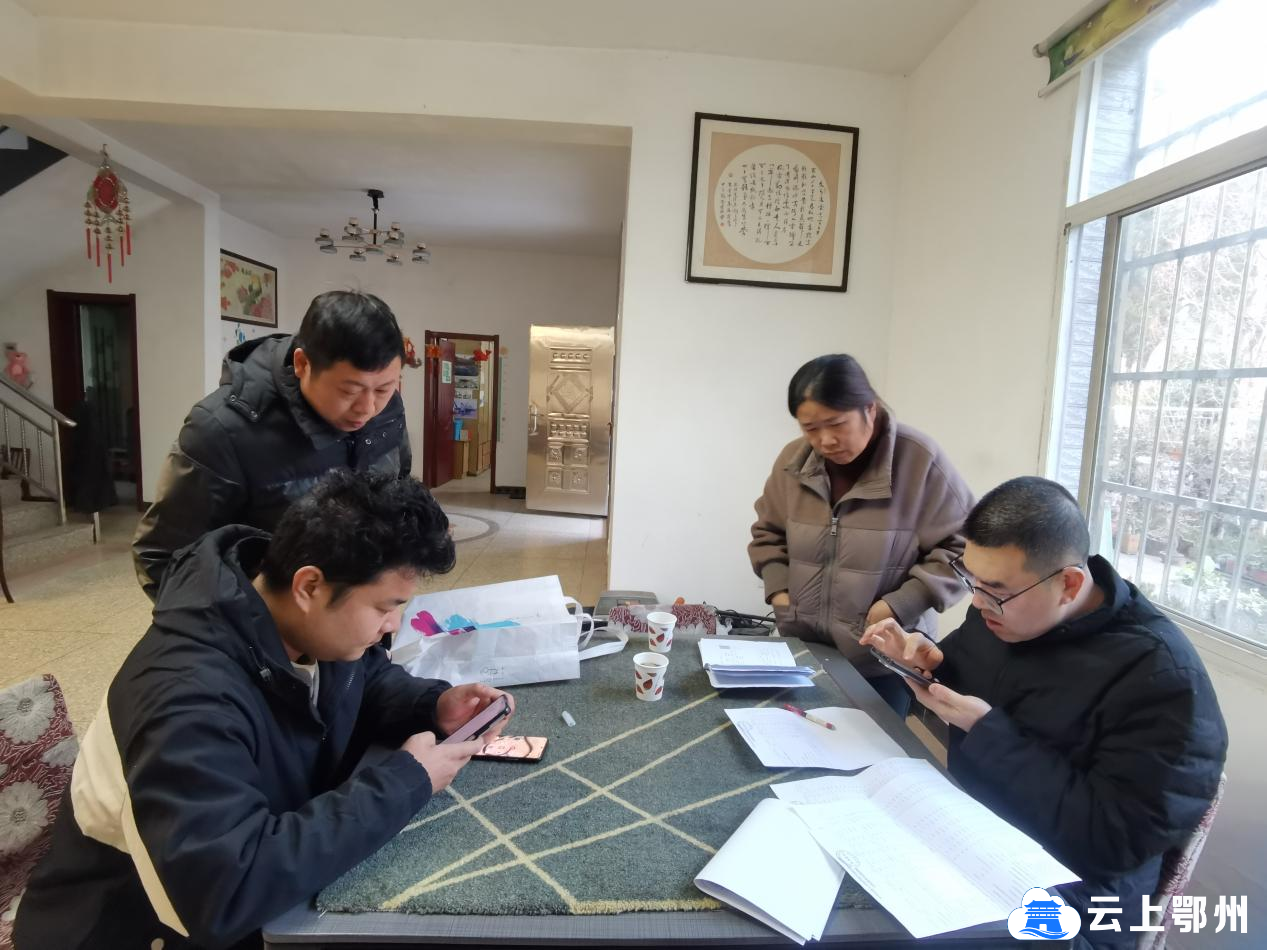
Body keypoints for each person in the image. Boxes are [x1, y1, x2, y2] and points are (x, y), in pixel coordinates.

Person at [15, 470, 512, 950]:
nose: (393, 626)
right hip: (130, 929)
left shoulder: (301, 623)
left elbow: (363, 679)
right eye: (384, 607)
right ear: (309, 587)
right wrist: (405, 782)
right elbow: (225, 891)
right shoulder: (185, 697)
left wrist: (433, 703)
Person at [861, 476, 1227, 948]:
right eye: (971, 579)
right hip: (975, 831)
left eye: (994, 590)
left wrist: (985, 730)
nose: (977, 601)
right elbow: (966, 685)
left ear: (1068, 584)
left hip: (1075, 899)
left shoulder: (1163, 679)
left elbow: (1113, 842)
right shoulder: (1002, 613)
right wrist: (925, 662)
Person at [133, 290, 411, 600]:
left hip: (360, 613)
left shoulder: (387, 411)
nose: (368, 408)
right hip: (269, 620)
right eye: (349, 391)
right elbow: (165, 559)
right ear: (302, 364)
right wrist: (254, 624)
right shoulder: (223, 430)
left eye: (384, 388)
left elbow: (397, 490)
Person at [748, 354, 974, 714]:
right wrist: (781, 594)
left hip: (883, 660)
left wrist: (897, 605)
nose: (825, 440)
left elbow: (966, 548)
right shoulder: (794, 461)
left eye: (837, 423)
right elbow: (767, 532)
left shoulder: (919, 460)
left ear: (870, 408)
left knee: (874, 747)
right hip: (803, 651)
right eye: (810, 428)